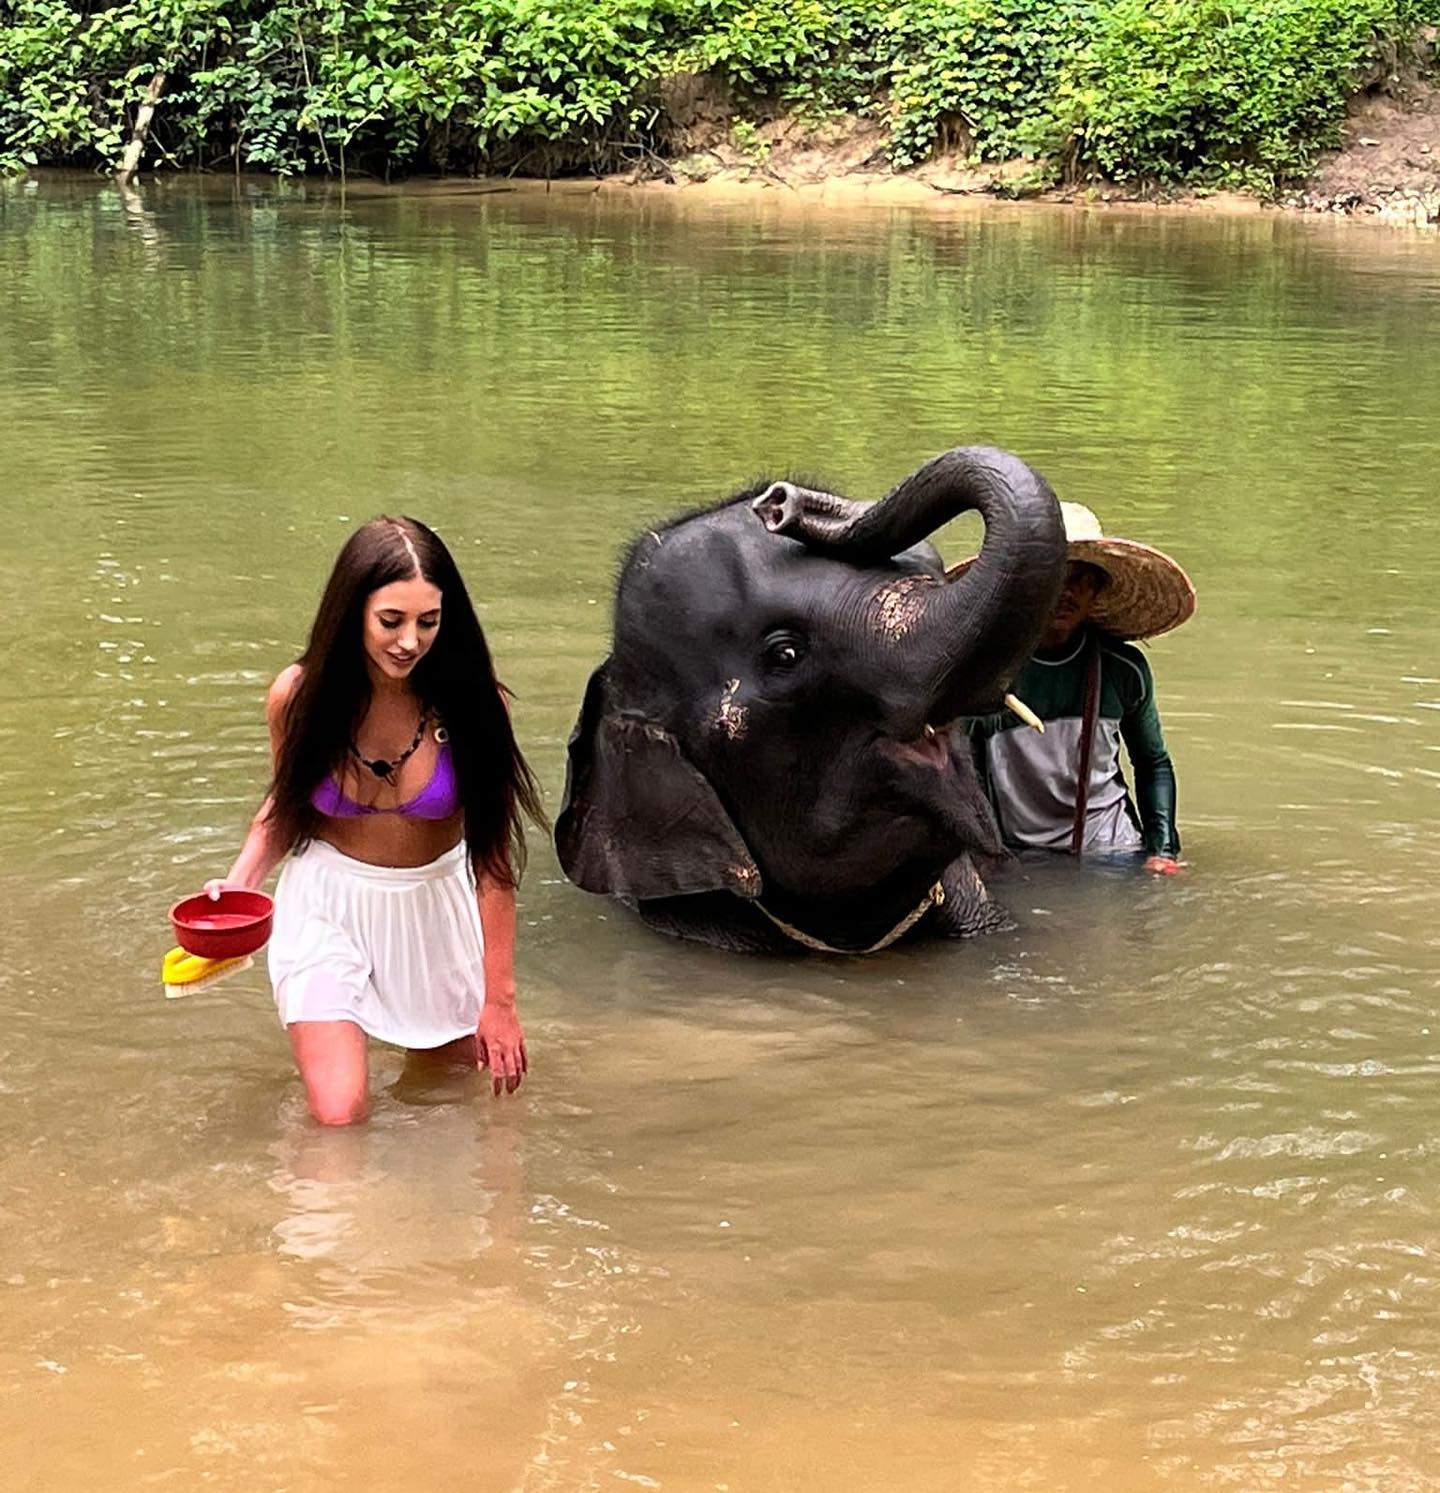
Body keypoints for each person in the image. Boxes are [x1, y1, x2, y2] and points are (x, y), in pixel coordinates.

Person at [207, 516, 545, 1125]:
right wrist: (236, 892)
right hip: (328, 906)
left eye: (428, 622)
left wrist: (500, 1001)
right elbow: (282, 814)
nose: (410, 641)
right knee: (339, 1113)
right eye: (391, 621)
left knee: (447, 1101)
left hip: (433, 911)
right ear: (353, 611)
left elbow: (493, 864)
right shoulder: (298, 696)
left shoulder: (476, 707)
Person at [961, 502, 1195, 873]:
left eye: (1082, 580)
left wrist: (1162, 851)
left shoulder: (1123, 670)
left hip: (1112, 848)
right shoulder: (987, 674)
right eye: (1058, 577)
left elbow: (1152, 762)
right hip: (1018, 855)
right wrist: (980, 856)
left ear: (1097, 592)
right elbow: (962, 772)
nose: (1069, 592)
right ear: (1031, 586)